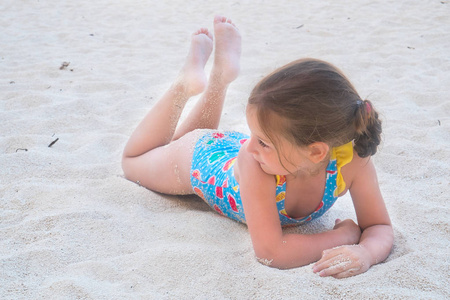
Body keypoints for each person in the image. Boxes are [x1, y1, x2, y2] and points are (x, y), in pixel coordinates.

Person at [122, 15, 393, 278]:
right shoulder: (255, 161)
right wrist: (343, 236)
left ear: (316, 152)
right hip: (198, 158)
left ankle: (219, 76)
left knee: (186, 139)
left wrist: (367, 253)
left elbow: (379, 226)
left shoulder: (352, 161)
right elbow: (272, 253)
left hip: (230, 150)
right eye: (254, 135)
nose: (250, 146)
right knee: (133, 160)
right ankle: (185, 85)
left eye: (262, 140)